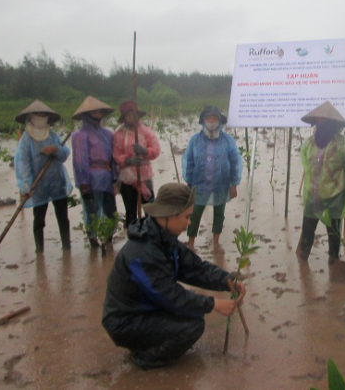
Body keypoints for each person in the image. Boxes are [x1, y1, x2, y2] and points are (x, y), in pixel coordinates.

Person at [102, 183, 245, 369]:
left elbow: (196, 268)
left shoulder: (164, 238)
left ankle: (145, 344)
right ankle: (145, 359)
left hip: (146, 308)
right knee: (193, 326)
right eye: (186, 217)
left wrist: (228, 281)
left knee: (191, 317)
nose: (189, 223)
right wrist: (213, 304)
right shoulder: (143, 252)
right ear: (169, 215)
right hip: (125, 321)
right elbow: (170, 296)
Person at [298, 101, 345, 264]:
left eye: (323, 121)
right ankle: (303, 258)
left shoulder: (344, 145)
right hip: (313, 195)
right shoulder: (309, 143)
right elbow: (305, 162)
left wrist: (339, 181)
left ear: (332, 124)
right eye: (318, 121)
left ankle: (333, 259)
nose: (320, 124)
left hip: (335, 197)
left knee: (333, 232)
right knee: (308, 229)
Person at [13, 100, 73, 252]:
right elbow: (23, 163)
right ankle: (39, 250)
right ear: (31, 117)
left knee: (63, 217)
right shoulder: (26, 140)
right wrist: (26, 185)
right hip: (38, 186)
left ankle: (67, 247)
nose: (41, 117)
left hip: (57, 182)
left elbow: (65, 154)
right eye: (38, 115)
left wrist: (55, 149)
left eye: (44, 115)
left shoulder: (52, 135)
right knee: (39, 219)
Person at [182, 106, 242, 249]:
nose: (211, 121)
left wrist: (234, 184)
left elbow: (235, 161)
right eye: (208, 118)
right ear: (203, 121)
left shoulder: (227, 140)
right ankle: (191, 241)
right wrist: (189, 182)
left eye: (214, 118)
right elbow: (188, 161)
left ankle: (216, 241)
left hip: (221, 184)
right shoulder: (195, 140)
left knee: (219, 213)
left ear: (219, 121)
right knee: (195, 213)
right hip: (199, 184)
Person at [72, 96, 118, 251]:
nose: (97, 114)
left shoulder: (108, 134)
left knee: (110, 211)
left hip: (107, 176)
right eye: (94, 111)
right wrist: (84, 184)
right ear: (86, 114)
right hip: (91, 178)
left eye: (99, 111)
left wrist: (115, 178)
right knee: (92, 211)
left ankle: (108, 239)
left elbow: (114, 159)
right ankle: (93, 241)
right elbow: (80, 161)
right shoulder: (80, 135)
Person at [112, 100, 161, 228]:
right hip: (127, 178)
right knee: (131, 212)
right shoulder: (119, 134)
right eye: (128, 115)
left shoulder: (146, 132)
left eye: (133, 114)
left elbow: (156, 150)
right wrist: (128, 160)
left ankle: (150, 237)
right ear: (124, 118)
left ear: (138, 115)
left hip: (145, 176)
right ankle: (132, 237)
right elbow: (116, 154)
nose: (132, 117)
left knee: (150, 210)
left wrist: (145, 151)